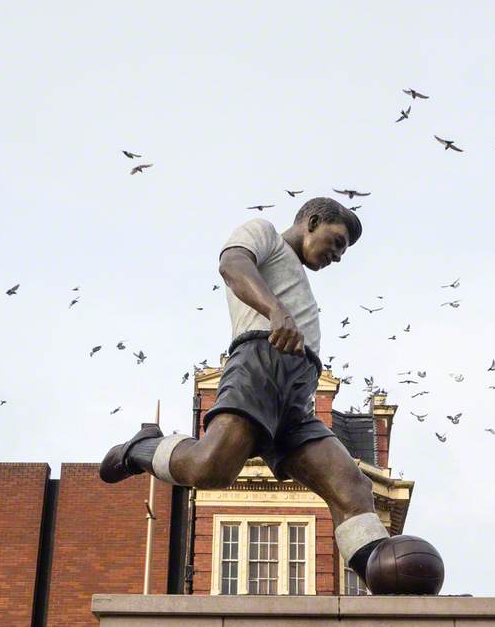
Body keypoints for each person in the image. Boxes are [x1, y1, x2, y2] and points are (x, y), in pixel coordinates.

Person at [100, 198, 390, 585]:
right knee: (210, 469)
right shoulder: (263, 233)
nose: (337, 256)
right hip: (260, 364)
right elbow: (232, 265)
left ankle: (384, 578)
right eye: (336, 242)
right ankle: (141, 449)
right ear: (313, 221)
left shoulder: (299, 279)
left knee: (352, 486)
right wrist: (274, 310)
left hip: (297, 398)